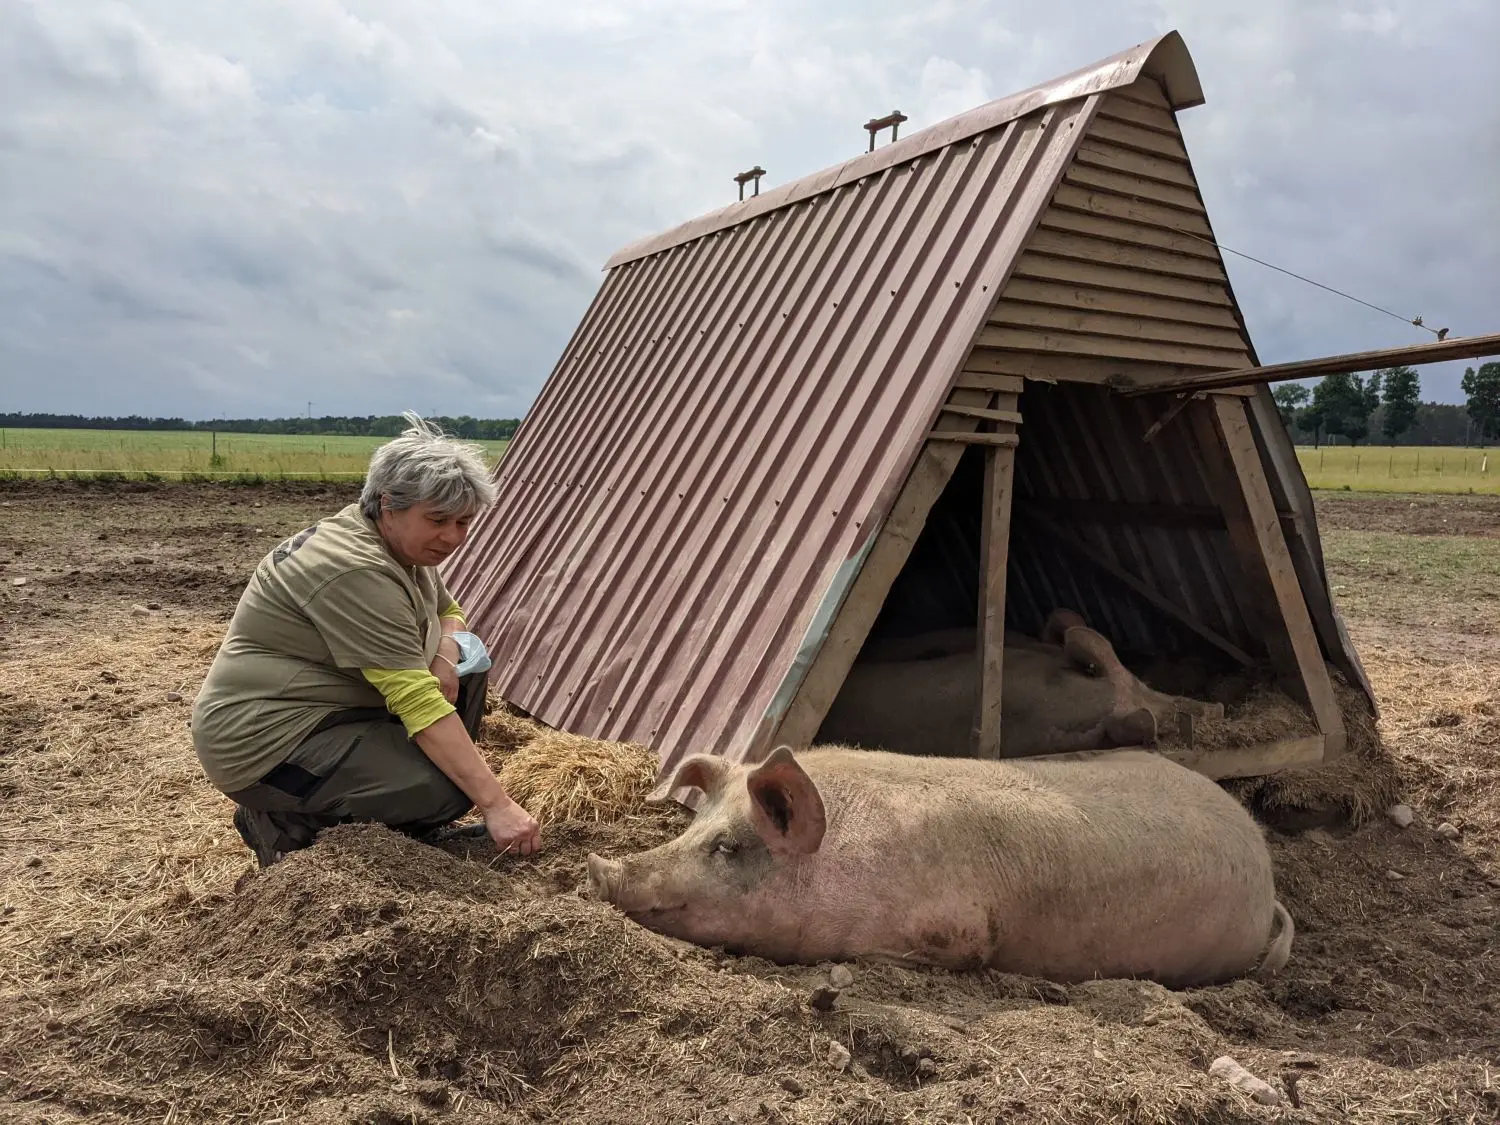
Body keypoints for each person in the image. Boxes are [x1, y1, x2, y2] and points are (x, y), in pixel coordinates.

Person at [191, 413, 542, 867]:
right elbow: (414, 700)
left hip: (332, 712)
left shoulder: (399, 547)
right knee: (449, 790)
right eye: (439, 520)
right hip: (266, 741)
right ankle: (283, 824)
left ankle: (393, 823)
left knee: (467, 666)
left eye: (464, 522)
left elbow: (449, 612)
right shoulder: (355, 569)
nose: (455, 537)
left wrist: (443, 651)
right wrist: (496, 805)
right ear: (388, 504)